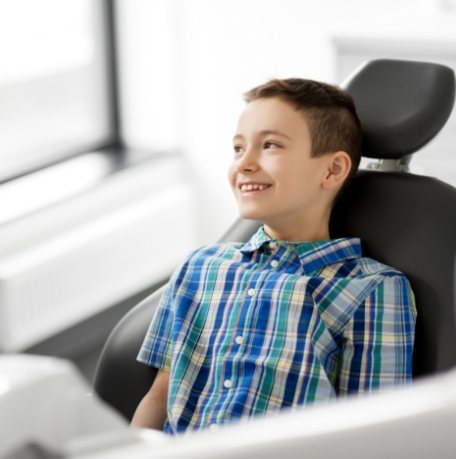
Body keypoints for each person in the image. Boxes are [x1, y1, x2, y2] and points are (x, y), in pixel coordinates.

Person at [131, 78, 416, 434]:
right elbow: (160, 396)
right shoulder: (201, 267)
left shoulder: (371, 289)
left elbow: (373, 435)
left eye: (269, 145)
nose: (244, 164)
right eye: (237, 148)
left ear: (333, 170)